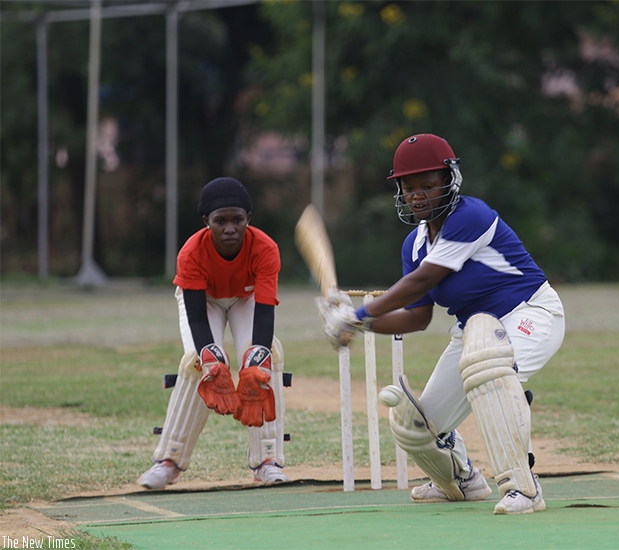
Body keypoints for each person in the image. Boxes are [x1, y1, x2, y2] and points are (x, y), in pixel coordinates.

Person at [318, 134, 565, 514]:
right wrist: (355, 326)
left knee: (490, 371)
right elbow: (417, 317)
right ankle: (463, 480)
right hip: (474, 332)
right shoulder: (413, 245)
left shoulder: (471, 216)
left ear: (450, 180)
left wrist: (358, 313)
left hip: (530, 313)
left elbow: (422, 281)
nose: (417, 195)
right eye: (408, 187)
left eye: (427, 186)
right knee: (416, 426)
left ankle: (524, 488)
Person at [138, 176, 288, 489]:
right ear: (207, 221)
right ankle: (169, 461)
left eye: (238, 220)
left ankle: (267, 460)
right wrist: (212, 359)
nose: (230, 228)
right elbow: (195, 316)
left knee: (265, 357)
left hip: (246, 298)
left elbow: (264, 311)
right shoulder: (191, 252)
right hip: (203, 301)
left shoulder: (265, 249)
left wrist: (255, 361)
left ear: (250, 219)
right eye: (221, 221)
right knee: (198, 361)